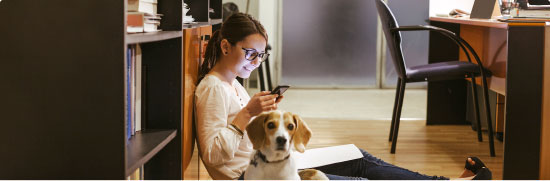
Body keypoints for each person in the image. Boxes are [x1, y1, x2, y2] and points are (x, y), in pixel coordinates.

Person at [194, 12, 491, 180]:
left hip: (270, 164)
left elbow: (247, 136)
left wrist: (266, 116)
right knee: (360, 178)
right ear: (224, 47)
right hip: (253, 177)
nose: (255, 62)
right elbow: (214, 156)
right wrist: (248, 113)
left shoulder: (233, 83)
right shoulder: (212, 88)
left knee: (359, 156)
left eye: (261, 55)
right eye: (250, 53)